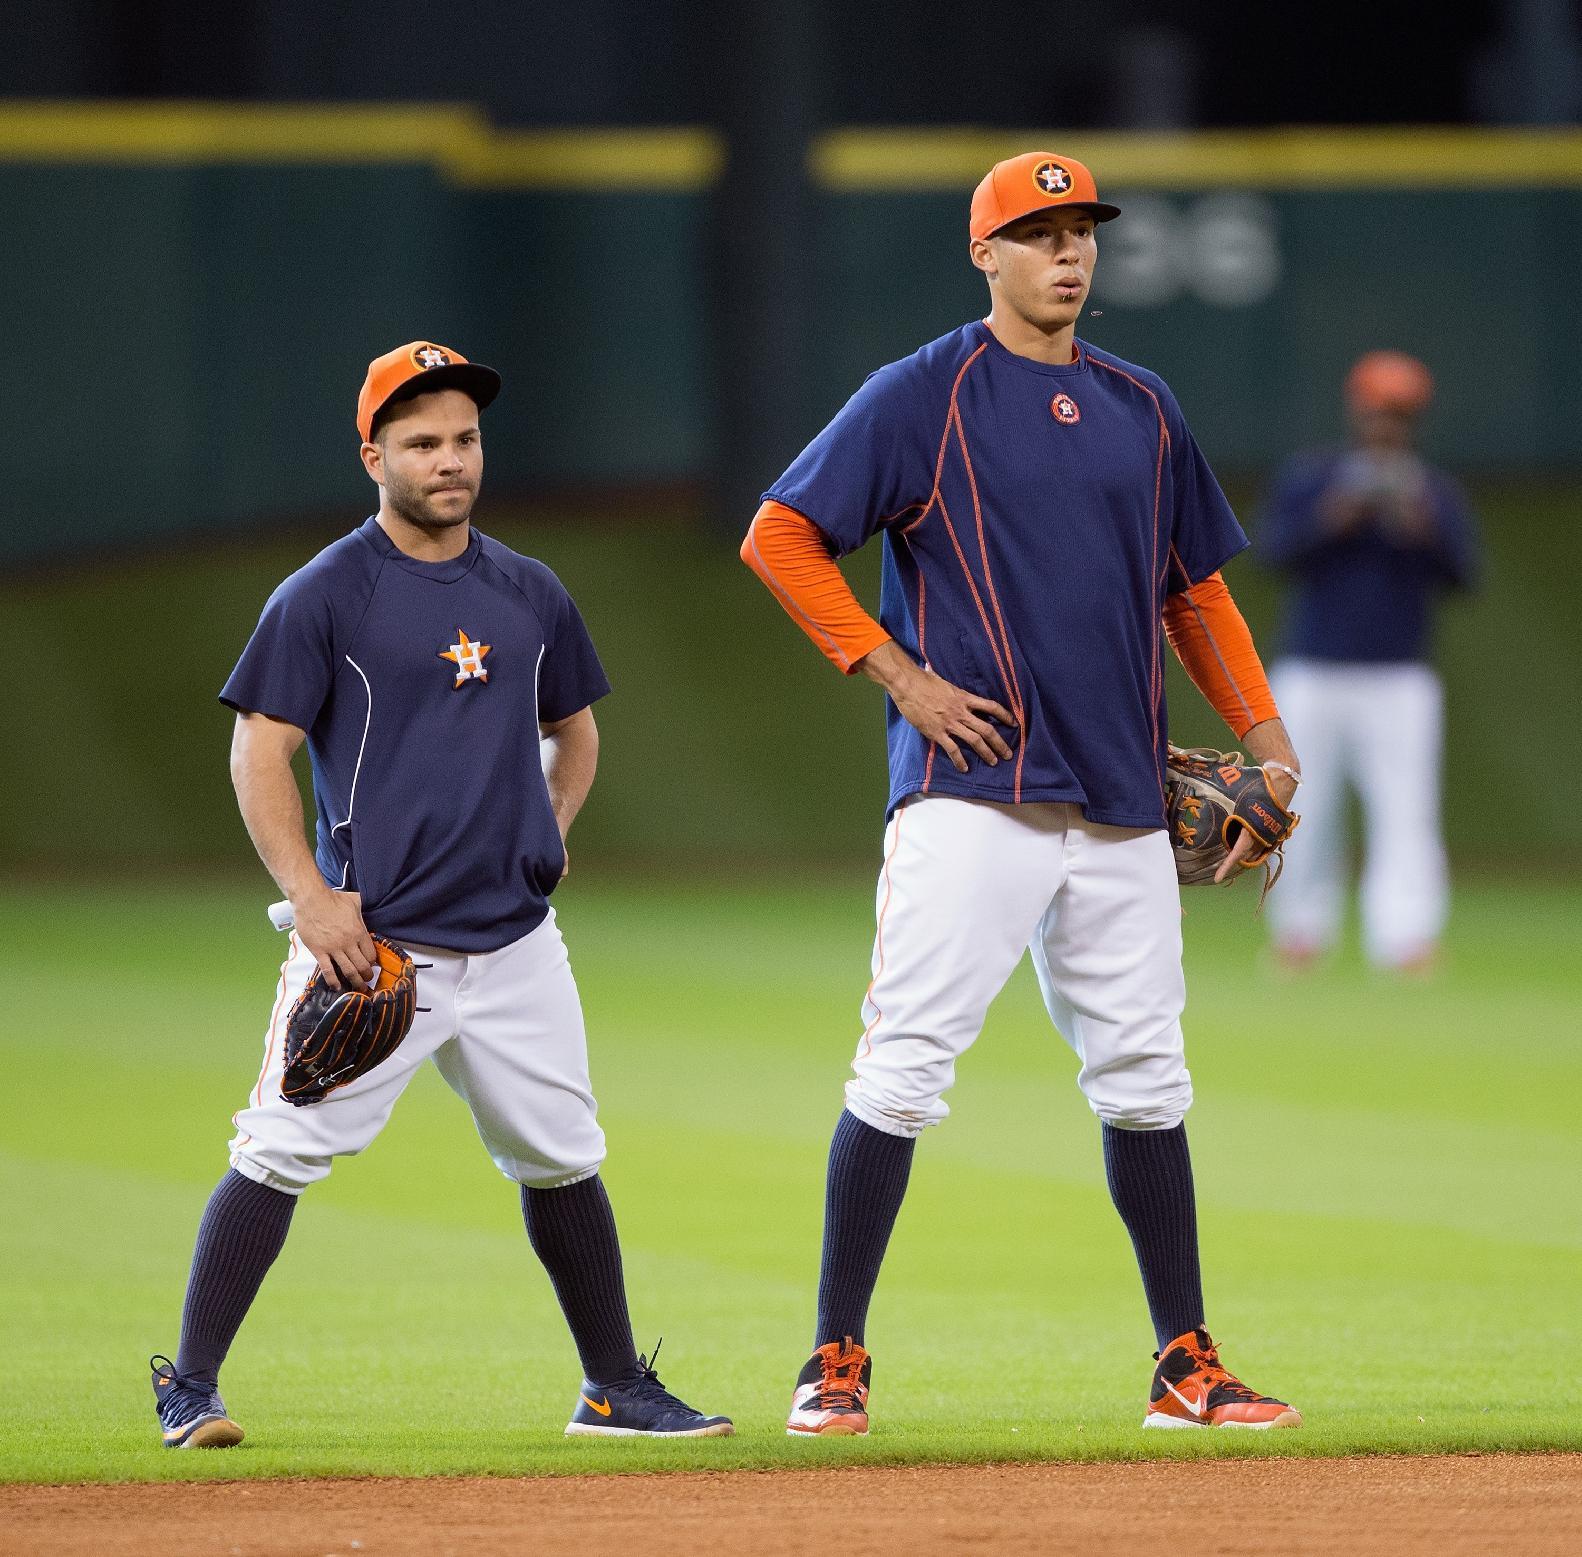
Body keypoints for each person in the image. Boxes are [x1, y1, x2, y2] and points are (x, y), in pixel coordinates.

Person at [742, 153, 1304, 1435]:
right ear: (984, 254)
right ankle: (833, 1356)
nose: (1069, 253)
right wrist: (897, 675)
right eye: (1039, 233)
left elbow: (1194, 591)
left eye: (1082, 232)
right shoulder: (920, 395)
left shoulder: (1141, 405)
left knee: (1147, 1081)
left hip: (1119, 807)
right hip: (969, 798)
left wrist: (1267, 740)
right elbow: (780, 533)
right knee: (901, 1072)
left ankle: (1184, 1365)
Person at [150, 341, 731, 1447]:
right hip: (380, 951)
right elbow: (257, 753)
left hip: (514, 946)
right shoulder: (326, 594)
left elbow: (578, 730)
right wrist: (314, 900)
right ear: (374, 455)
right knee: (276, 1150)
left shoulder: (527, 589)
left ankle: (613, 1389)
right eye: (421, 442)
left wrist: (548, 835)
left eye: (464, 438)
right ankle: (189, 1383)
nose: (449, 460)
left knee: (563, 1157)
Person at [1258, 351, 1480, 972]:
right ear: (1359, 410)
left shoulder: (1430, 490)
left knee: (1406, 809)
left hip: (1399, 675)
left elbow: (1465, 576)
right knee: (1303, 806)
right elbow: (1272, 554)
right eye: (1380, 410)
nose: (1388, 424)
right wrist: (1334, 518)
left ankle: (1406, 938)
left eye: (1399, 414)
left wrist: (1422, 528)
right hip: (1313, 668)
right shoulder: (1317, 476)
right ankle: (1299, 931)